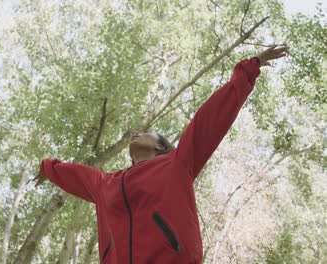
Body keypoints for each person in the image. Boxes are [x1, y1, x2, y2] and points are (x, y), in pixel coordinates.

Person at [34, 45, 287, 263]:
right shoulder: (106, 184)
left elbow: (213, 115)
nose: (136, 133)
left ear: (160, 146)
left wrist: (251, 67)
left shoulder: (177, 162)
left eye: (145, 133)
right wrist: (46, 168)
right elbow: (72, 173)